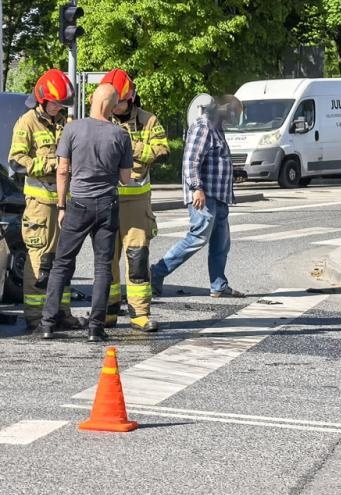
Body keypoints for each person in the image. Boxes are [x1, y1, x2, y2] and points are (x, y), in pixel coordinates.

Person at [39, 82, 133, 341]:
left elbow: (62, 170)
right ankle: (95, 328)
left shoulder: (72, 129)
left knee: (62, 264)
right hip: (107, 205)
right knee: (103, 267)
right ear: (111, 106)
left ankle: (47, 324)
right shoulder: (120, 135)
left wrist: (61, 206)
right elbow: (125, 178)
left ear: (92, 100)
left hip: (78, 204)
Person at [150, 92, 241, 300]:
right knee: (198, 236)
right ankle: (156, 272)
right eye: (232, 111)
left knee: (221, 242)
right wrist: (197, 187)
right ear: (221, 107)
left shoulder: (217, 128)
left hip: (218, 196)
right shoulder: (203, 126)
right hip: (204, 195)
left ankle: (218, 285)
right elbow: (191, 161)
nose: (234, 116)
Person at [9, 70, 80, 329]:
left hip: (65, 201)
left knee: (65, 259)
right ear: (41, 99)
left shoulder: (65, 123)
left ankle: (61, 312)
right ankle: (37, 316)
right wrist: (52, 164)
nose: (59, 107)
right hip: (40, 204)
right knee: (40, 259)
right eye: (55, 102)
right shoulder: (26, 123)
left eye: (61, 103)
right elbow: (16, 161)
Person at [103, 68, 168, 333]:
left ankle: (140, 313)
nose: (114, 107)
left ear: (130, 98)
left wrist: (130, 147)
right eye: (111, 101)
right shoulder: (101, 119)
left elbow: (163, 150)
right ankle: (107, 311)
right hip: (107, 199)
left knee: (137, 258)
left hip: (136, 203)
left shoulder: (148, 120)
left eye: (118, 101)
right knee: (106, 258)